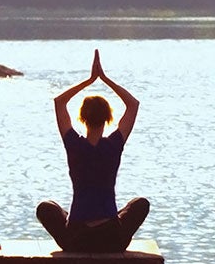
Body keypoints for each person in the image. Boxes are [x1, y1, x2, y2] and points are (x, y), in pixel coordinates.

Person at [37, 49, 150, 252]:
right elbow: (133, 105)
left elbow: (59, 102)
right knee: (140, 204)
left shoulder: (74, 144)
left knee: (46, 207)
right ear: (108, 118)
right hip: (111, 239)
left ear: (81, 118)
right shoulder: (114, 145)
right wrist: (105, 79)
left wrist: (89, 81)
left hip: (76, 238)